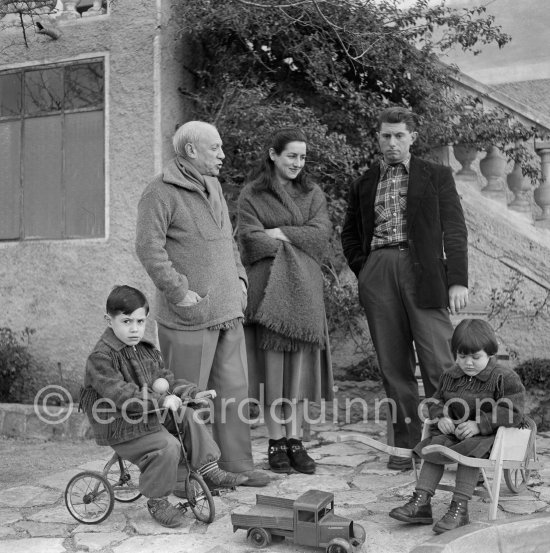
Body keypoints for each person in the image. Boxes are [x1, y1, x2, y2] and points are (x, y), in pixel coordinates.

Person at [135, 121, 269, 487]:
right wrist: (178, 291)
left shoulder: (214, 186)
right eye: (216, 148)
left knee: (234, 393)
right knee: (184, 399)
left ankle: (237, 466)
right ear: (191, 150)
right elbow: (148, 248)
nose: (223, 155)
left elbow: (228, 242)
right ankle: (182, 475)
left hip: (228, 310)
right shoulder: (158, 191)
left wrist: (241, 279)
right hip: (188, 315)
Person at [341, 107, 469, 470]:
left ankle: (451, 443)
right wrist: (365, 269)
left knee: (439, 362)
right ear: (378, 137)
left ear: (412, 137)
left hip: (424, 272)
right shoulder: (364, 182)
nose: (392, 142)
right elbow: (349, 233)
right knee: (393, 366)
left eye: (399, 135)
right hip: (379, 270)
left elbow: (455, 229)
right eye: (386, 136)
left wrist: (457, 279)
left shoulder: (436, 175)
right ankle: (406, 447)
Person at [80, 285, 247, 529]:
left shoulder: (145, 350)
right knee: (168, 445)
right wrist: (161, 401)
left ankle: (210, 470)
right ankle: (157, 501)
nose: (135, 328)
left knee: (188, 415)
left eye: (140, 321)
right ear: (109, 320)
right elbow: (121, 395)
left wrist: (191, 392)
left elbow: (166, 381)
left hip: (147, 415)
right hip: (119, 424)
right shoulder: (101, 358)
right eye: (126, 321)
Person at [237, 128, 333, 474]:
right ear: (273, 154)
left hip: (305, 295)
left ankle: (296, 440)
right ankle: (275, 441)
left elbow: (321, 237)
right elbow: (249, 242)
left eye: (303, 157)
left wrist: (278, 233)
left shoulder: (312, 193)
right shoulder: (252, 194)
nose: (297, 163)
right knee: (270, 375)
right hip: (267, 295)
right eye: (291, 155)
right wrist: (297, 239)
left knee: (298, 376)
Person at [389, 318, 525, 534]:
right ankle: (421, 501)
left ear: (490, 353)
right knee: (435, 446)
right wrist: (442, 416)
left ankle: (459, 508)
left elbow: (513, 410)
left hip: (488, 437)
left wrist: (480, 424)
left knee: (471, 451)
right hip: (456, 433)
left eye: (475, 357)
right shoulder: (451, 376)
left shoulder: (504, 378)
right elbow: (436, 400)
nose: (468, 362)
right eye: (462, 356)